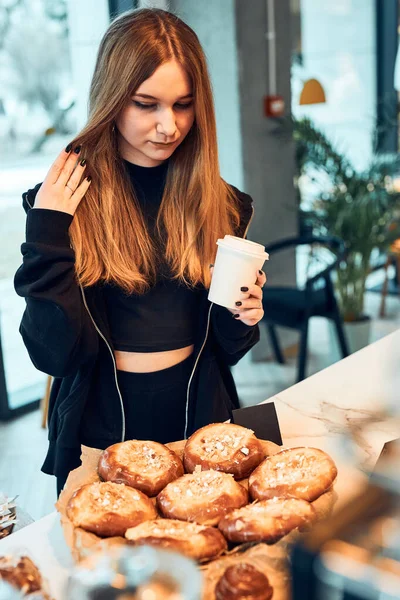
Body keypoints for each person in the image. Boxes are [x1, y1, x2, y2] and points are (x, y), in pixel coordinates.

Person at [14, 8, 266, 495]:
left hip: (201, 418)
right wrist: (47, 230)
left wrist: (245, 315)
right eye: (146, 104)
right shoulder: (64, 202)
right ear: (113, 99)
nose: (168, 126)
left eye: (183, 105)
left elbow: (226, 350)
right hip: (100, 428)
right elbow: (53, 353)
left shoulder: (223, 205)